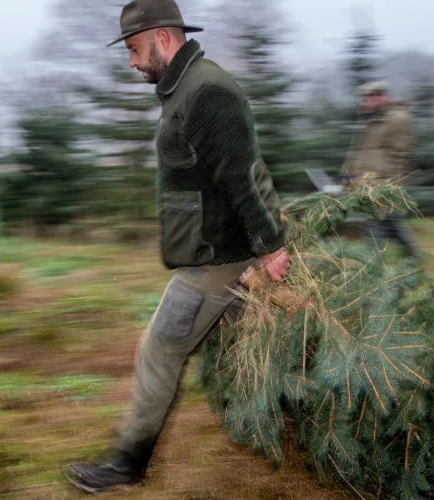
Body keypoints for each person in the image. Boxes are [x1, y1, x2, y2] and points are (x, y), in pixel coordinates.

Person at [65, 0, 291, 493]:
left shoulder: (206, 91)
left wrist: (271, 247)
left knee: (159, 349)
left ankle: (127, 464)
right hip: (221, 250)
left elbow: (241, 175)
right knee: (254, 353)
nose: (130, 61)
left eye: (134, 49)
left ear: (162, 38)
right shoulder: (185, 89)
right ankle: (290, 433)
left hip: (220, 259)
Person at [342, 81, 419, 257]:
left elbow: (402, 158)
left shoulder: (398, 120)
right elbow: (362, 154)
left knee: (373, 223)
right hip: (367, 184)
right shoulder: (376, 120)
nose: (363, 104)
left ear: (378, 97)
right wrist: (346, 178)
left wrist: (395, 193)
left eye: (366, 100)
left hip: (382, 186)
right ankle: (413, 256)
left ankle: (372, 266)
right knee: (391, 224)